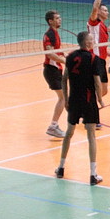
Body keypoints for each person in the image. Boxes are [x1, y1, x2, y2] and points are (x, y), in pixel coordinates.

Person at [55, 31, 106, 185]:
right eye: (91, 39)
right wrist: (100, 99)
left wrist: (66, 99)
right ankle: (93, 175)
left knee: (69, 133)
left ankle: (61, 168)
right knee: (91, 136)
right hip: (89, 101)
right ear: (87, 43)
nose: (93, 40)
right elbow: (97, 82)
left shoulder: (70, 57)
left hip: (74, 100)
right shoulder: (93, 59)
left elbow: (64, 79)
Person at [42, 10, 67, 138]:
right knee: (63, 98)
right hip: (51, 70)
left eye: (59, 17)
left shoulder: (55, 33)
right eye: (57, 18)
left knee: (64, 97)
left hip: (56, 69)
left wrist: (65, 55)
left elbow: (57, 50)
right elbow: (50, 54)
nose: (60, 19)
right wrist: (65, 61)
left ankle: (75, 116)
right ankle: (53, 126)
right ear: (50, 21)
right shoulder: (49, 35)